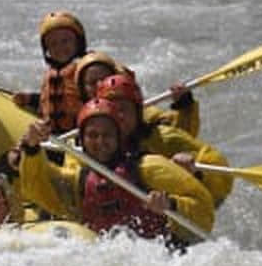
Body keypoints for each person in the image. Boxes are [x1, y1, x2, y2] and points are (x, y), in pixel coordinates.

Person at [18, 98, 214, 245]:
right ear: (82, 140)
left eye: (107, 135)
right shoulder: (78, 180)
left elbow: (204, 207)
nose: (100, 141)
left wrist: (172, 204)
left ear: (119, 138)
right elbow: (37, 188)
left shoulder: (150, 167)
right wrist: (31, 148)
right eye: (92, 135)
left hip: (159, 255)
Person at [95, 74, 231, 206]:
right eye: (111, 110)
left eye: (123, 109)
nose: (118, 116)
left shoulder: (165, 138)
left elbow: (220, 186)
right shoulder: (92, 143)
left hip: (164, 209)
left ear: (137, 112)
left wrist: (197, 173)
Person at [74, 51, 199, 136]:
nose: (100, 85)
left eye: (105, 78)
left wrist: (185, 106)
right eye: (92, 82)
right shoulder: (77, 124)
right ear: (82, 89)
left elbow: (183, 133)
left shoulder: (143, 113)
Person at [13, 10, 88, 135]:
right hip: (53, 136)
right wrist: (29, 99)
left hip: (80, 134)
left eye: (65, 41)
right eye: (53, 43)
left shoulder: (87, 68)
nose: (60, 47)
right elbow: (49, 101)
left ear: (78, 42)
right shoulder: (52, 74)